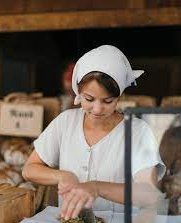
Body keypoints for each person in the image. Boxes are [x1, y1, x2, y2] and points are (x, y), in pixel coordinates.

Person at [22, 45, 166, 223]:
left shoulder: (138, 131)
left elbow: (147, 193)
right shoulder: (65, 122)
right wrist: (62, 175)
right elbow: (29, 169)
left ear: (119, 96)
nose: (97, 109)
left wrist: (96, 188)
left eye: (107, 101)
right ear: (78, 92)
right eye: (88, 99)